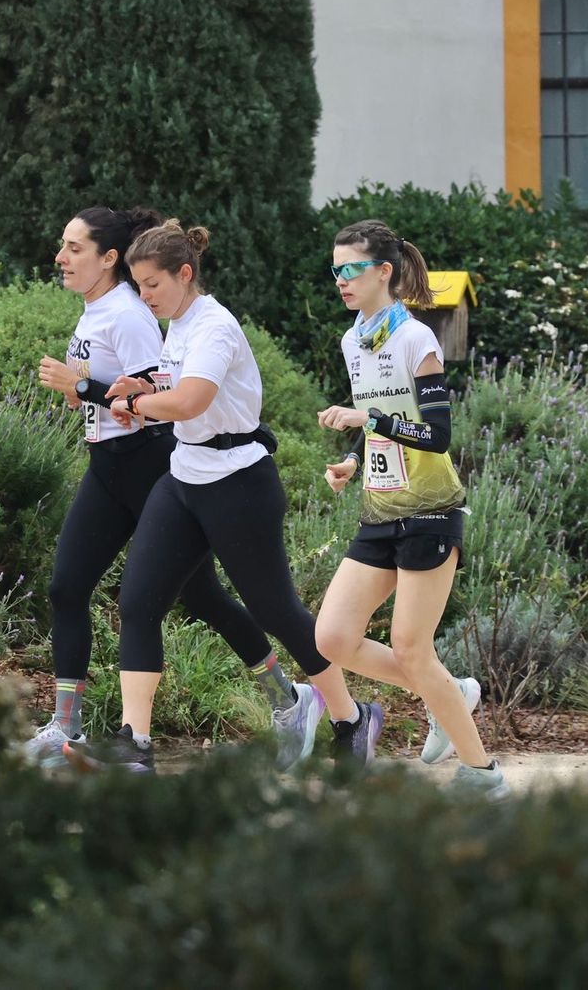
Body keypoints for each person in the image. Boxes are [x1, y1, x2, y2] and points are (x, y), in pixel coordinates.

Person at [64, 219, 375, 771]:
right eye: (137, 285)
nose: (144, 296)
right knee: (138, 602)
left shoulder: (214, 325)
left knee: (275, 609)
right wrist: (145, 388)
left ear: (185, 274)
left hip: (239, 483)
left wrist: (135, 405)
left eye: (153, 284)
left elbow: (190, 402)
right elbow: (175, 390)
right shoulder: (176, 323)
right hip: (185, 477)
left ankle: (351, 718)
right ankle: (133, 743)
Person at [311, 220, 509, 797]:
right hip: (380, 510)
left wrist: (365, 420)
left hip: (429, 513)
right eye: (335, 270)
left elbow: (437, 435)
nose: (341, 280)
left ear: (383, 272)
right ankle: (451, 691)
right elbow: (384, 419)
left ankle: (482, 776)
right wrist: (356, 457)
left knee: (410, 650)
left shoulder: (416, 339)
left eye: (351, 269)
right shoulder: (354, 339)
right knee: (332, 638)